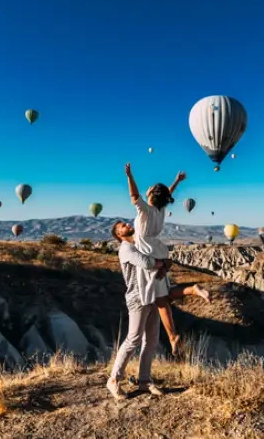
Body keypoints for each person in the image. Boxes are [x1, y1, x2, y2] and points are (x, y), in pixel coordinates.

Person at [125, 163, 211, 356]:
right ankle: (191, 291)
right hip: (158, 251)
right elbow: (167, 194)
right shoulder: (161, 210)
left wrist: (129, 176)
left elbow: (133, 196)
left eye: (149, 189)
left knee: (161, 300)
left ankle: (172, 336)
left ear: (151, 195)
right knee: (163, 296)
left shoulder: (145, 211)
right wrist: (176, 182)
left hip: (147, 254)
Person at [107, 220, 166, 400]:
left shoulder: (140, 245)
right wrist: (161, 262)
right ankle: (114, 380)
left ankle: (144, 380)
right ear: (119, 234)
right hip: (137, 298)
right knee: (133, 339)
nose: (126, 224)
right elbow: (148, 263)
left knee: (151, 340)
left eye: (125, 223)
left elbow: (158, 259)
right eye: (121, 226)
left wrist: (160, 262)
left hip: (152, 295)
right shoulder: (126, 249)